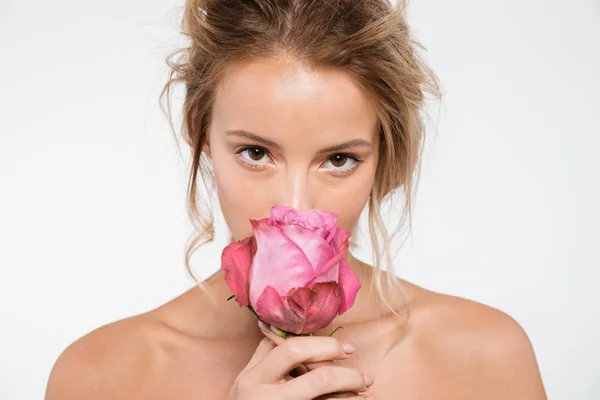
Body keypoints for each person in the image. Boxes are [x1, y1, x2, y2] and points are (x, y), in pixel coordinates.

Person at [45, 0, 547, 399]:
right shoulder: (99, 376)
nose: (295, 208)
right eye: (256, 152)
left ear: (382, 162)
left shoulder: (484, 357)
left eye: (339, 160)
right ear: (202, 140)